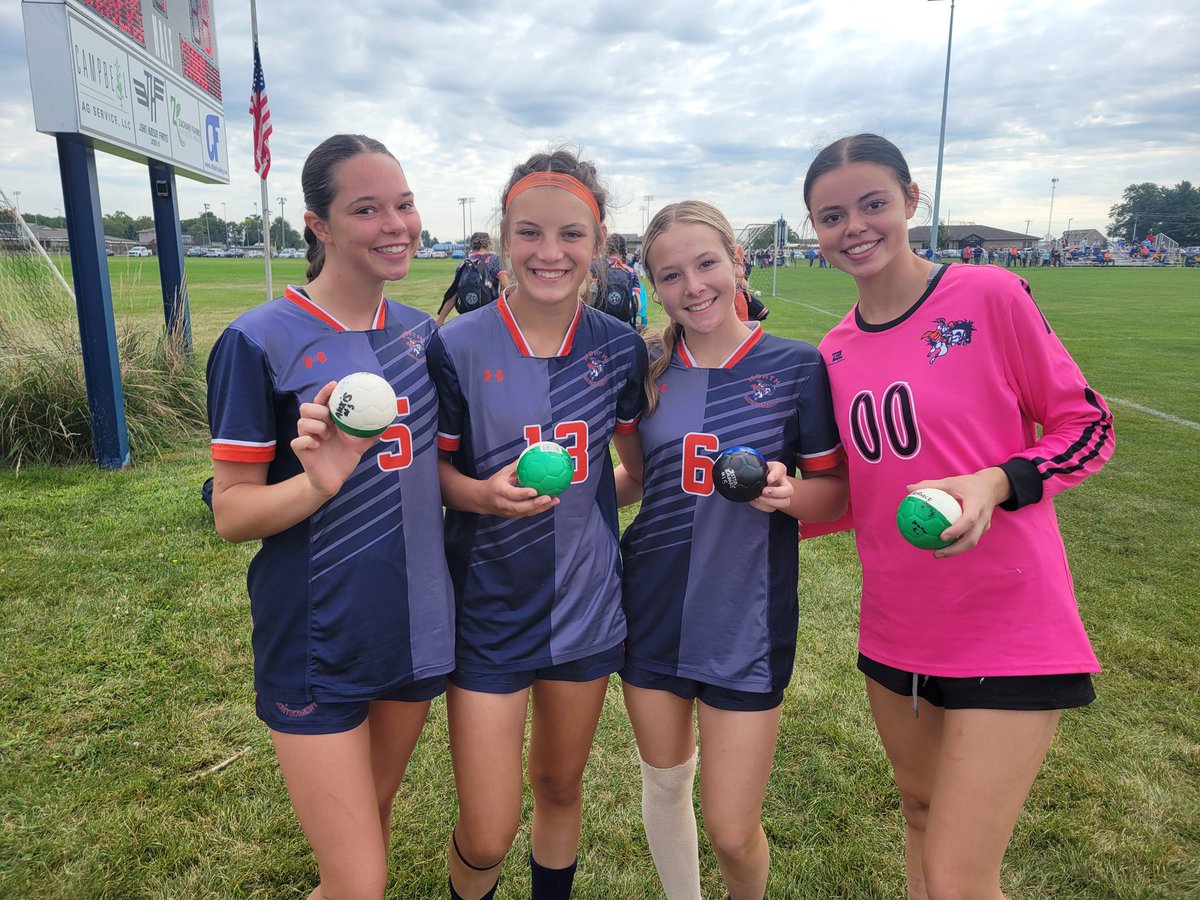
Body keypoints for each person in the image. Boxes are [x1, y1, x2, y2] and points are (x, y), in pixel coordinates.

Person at [803, 133, 1113, 900]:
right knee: (919, 815)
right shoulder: (833, 351)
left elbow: (1089, 426)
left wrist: (996, 482)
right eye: (832, 214)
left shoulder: (987, 295)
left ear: (912, 201)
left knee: (956, 877)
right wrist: (766, 507)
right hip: (898, 627)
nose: (856, 227)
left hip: (1010, 621)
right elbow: (852, 493)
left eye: (873, 203)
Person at [205, 134, 455, 900]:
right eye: (367, 209)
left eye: (404, 205)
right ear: (317, 223)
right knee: (358, 881)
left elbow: (439, 474)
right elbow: (233, 513)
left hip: (414, 627)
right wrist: (319, 484)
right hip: (316, 638)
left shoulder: (423, 335)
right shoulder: (258, 340)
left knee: (367, 832)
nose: (396, 225)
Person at [426, 149, 648, 900]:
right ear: (502, 236)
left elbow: (635, 473)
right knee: (487, 831)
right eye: (529, 232)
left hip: (584, 610)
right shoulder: (454, 345)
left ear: (601, 242)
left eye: (571, 234)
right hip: (485, 609)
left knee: (558, 788)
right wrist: (485, 497)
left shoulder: (619, 348)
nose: (549, 253)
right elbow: (435, 477)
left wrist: (586, 502)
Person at [615, 201, 848, 900]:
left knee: (730, 828)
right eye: (671, 275)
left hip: (746, 617)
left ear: (737, 263)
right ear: (653, 287)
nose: (694, 286)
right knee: (663, 784)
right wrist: (572, 495)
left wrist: (787, 493)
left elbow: (834, 496)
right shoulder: (646, 369)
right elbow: (634, 480)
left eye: (706, 263)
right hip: (650, 606)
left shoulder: (797, 367)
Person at [437, 231, 508, 325]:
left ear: (472, 246)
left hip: (468, 316)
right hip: (490, 315)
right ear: (488, 245)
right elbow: (505, 285)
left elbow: (454, 293)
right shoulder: (495, 260)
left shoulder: (463, 264)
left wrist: (441, 319)